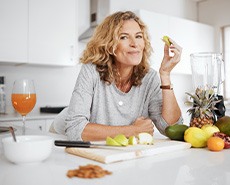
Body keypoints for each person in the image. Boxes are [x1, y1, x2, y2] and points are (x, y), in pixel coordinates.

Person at [52, 11, 183, 141]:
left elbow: (172, 128)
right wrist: (133, 130)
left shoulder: (149, 77)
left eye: (138, 36)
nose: (134, 43)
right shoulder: (91, 71)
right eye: (124, 37)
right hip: (60, 135)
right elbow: (75, 129)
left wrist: (165, 75)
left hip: (107, 144)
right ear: (109, 44)